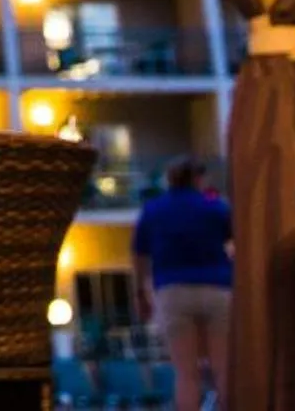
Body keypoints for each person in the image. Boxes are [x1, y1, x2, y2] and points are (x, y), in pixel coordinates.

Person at [131, 154, 231, 411]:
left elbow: (140, 254)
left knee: (187, 373)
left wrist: (140, 292)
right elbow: (235, 239)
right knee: (223, 369)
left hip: (172, 290)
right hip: (217, 288)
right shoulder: (215, 207)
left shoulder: (153, 210)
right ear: (198, 178)